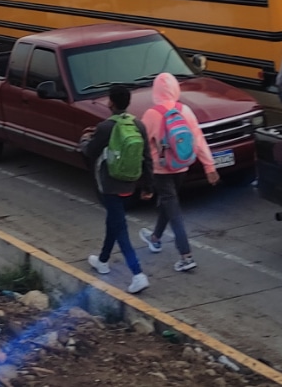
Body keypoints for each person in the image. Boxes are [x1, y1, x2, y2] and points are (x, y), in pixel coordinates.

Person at [137, 73, 218, 273]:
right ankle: (155, 239)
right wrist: (210, 167)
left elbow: (143, 147)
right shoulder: (186, 111)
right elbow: (198, 141)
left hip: (161, 169)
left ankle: (186, 255)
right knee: (168, 202)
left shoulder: (151, 114)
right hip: (182, 166)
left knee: (173, 210)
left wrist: (142, 178)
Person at [80, 83, 152, 295]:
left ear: (110, 102)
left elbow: (90, 151)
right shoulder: (138, 125)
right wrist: (148, 186)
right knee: (114, 221)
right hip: (130, 182)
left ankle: (138, 274)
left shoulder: (105, 127)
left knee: (120, 228)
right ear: (128, 102)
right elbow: (147, 158)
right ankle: (102, 261)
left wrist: (84, 139)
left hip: (110, 184)